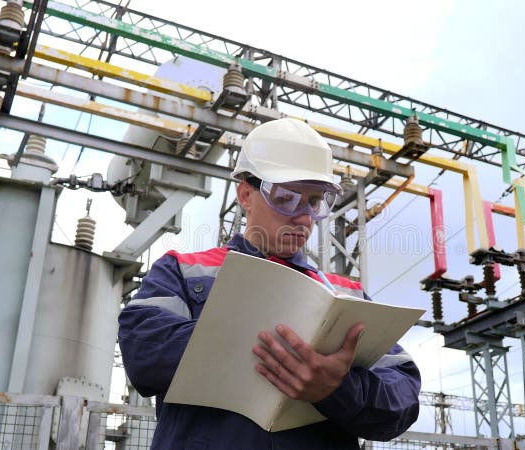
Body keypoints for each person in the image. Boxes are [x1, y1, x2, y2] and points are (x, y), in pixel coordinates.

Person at [118, 118, 420, 449]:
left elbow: (402, 398)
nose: (304, 217)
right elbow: (143, 349)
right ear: (246, 194)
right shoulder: (183, 270)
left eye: (314, 202)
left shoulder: (346, 295)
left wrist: (338, 388)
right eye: (287, 198)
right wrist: (269, 343)